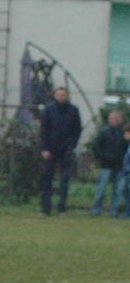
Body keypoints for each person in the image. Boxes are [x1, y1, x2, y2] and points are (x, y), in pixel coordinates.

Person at [40, 86, 82, 216]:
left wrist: (71, 145)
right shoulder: (48, 110)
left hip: (66, 149)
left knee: (64, 180)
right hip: (51, 149)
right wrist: (45, 148)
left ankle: (62, 209)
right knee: (48, 179)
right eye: (59, 95)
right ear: (55, 96)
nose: (61, 97)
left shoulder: (73, 110)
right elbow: (44, 130)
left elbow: (77, 129)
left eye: (63, 95)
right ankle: (46, 209)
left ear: (67, 96)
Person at [91, 111, 128, 216]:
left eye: (117, 118)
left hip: (119, 166)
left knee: (117, 190)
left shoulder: (123, 134)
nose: (115, 121)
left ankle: (114, 210)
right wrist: (103, 158)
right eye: (113, 118)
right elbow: (96, 147)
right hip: (105, 165)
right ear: (109, 120)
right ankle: (97, 208)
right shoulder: (104, 132)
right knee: (101, 189)